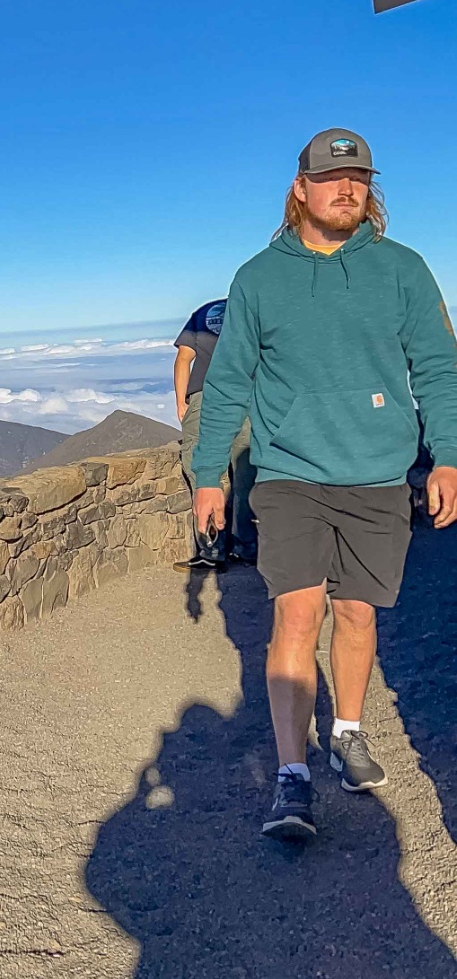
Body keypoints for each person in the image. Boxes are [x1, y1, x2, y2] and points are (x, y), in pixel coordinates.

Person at [186, 127, 457, 841]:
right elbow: (229, 384)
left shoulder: (402, 270)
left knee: (360, 615)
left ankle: (346, 731)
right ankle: (291, 776)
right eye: (333, 178)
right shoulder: (259, 278)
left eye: (360, 178)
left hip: (376, 475)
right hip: (290, 474)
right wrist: (208, 475)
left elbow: (437, 368)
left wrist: (450, 456)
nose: (348, 189)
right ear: (300, 188)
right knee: (297, 614)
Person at [179, 299, 251, 570]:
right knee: (245, 472)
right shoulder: (252, 309)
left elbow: (184, 358)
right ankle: (246, 547)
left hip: (206, 397)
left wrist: (181, 402)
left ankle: (212, 549)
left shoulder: (203, 312)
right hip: (249, 396)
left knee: (204, 469)